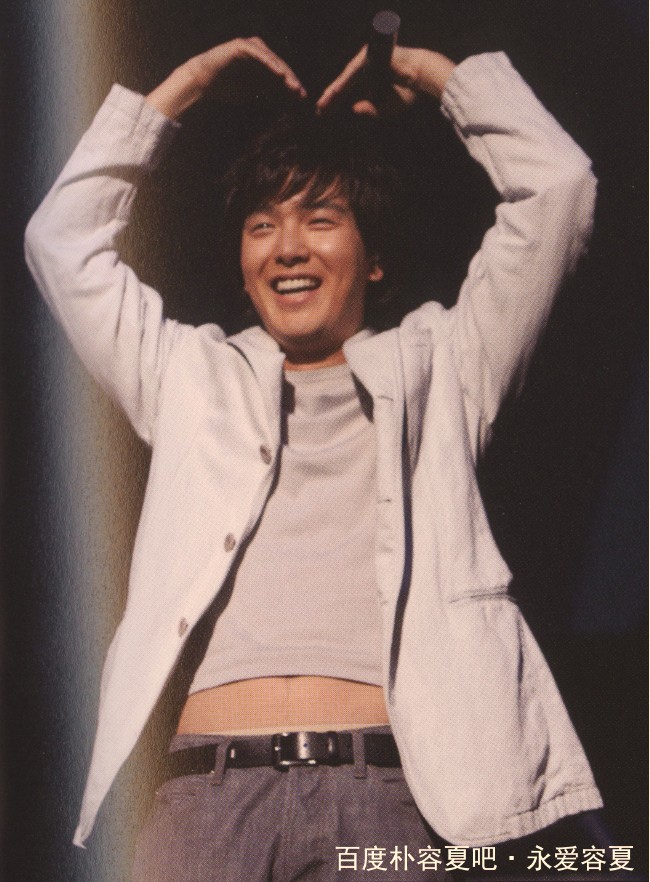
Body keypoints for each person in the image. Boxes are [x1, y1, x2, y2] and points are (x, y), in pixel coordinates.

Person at [25, 35, 602, 881]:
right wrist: (187, 86)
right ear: (243, 263)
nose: (287, 246)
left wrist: (427, 74)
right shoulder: (189, 376)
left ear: (375, 258)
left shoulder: (445, 367)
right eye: (263, 226)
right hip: (205, 804)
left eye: (320, 219)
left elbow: (557, 187)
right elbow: (60, 241)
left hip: (389, 801)